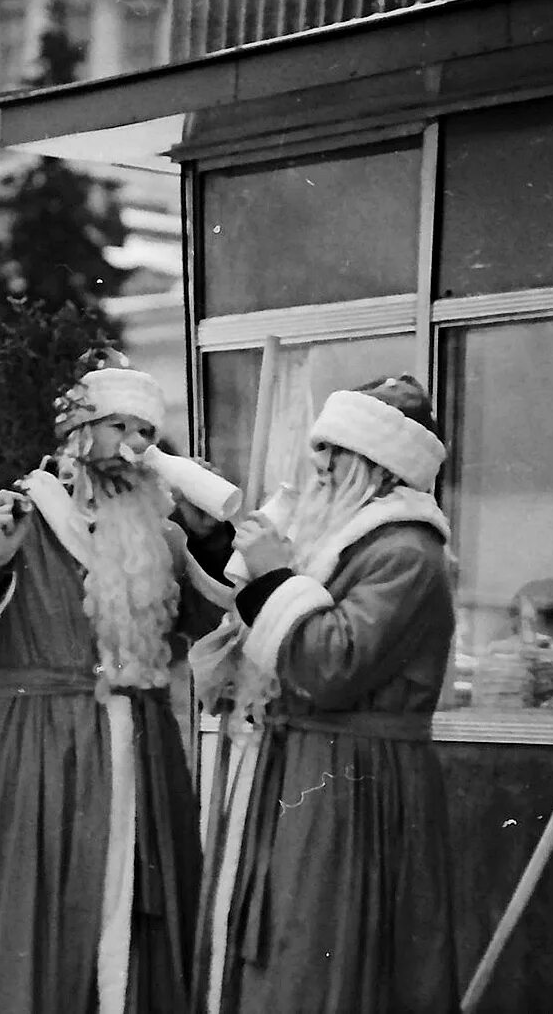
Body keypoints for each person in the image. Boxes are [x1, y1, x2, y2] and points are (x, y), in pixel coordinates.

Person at [0, 351, 234, 1014]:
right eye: (123, 428)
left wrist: (210, 535)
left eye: (147, 433)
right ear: (81, 433)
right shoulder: (22, 516)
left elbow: (212, 617)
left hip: (142, 754)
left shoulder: (158, 535)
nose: (137, 446)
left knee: (135, 926)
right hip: (34, 754)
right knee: (31, 921)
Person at [194, 373, 459, 1014]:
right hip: (306, 773)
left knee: (317, 958)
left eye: (328, 453)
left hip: (356, 784)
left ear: (370, 464)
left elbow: (333, 664)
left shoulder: (409, 554)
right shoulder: (352, 544)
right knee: (286, 952)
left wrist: (274, 579)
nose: (314, 468)